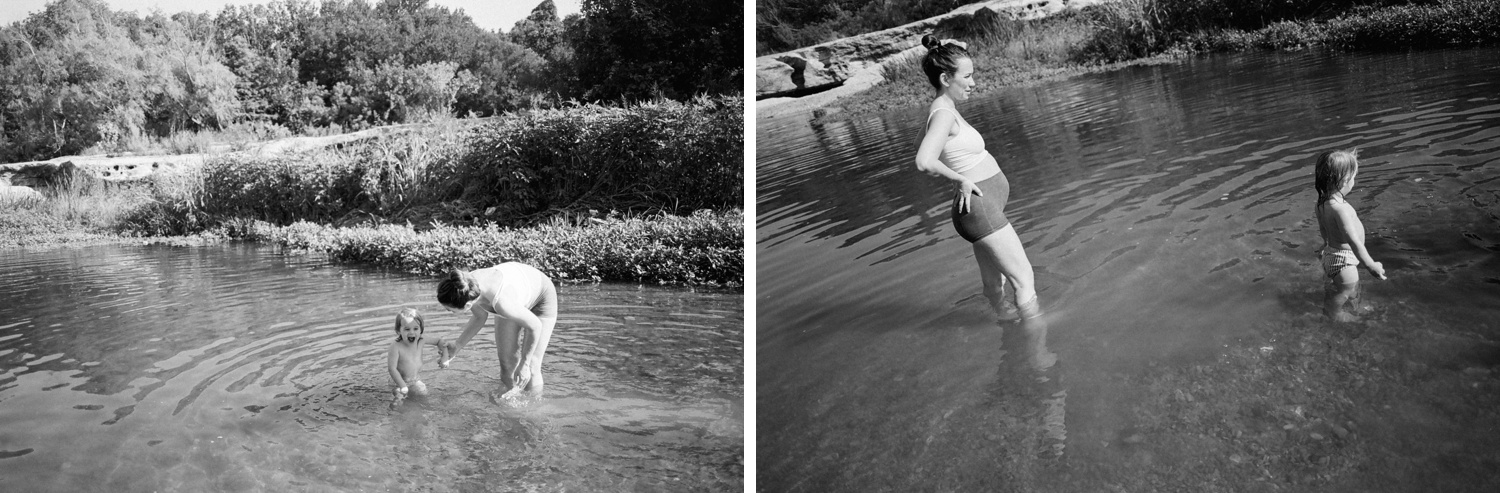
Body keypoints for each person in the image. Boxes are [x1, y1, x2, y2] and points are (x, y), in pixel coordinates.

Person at [912, 34, 1042, 323]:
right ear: (946, 78)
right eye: (967, 76)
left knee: (995, 283)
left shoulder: (940, 111)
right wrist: (960, 179)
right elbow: (923, 160)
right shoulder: (943, 114)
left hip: (981, 208)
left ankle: (1007, 326)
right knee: (1024, 279)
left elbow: (920, 144)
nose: (973, 83)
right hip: (980, 209)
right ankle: (1037, 344)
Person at [435, 262, 558, 400]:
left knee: (532, 366)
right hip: (515, 294)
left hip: (541, 295)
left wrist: (525, 362)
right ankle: (512, 405)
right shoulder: (465, 289)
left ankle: (534, 409)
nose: (449, 312)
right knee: (507, 366)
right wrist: (457, 346)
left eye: (449, 310)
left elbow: (535, 326)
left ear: (468, 305)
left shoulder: (502, 303)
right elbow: (480, 316)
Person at [1314, 149, 1387, 321]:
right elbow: (1354, 242)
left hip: (1331, 254)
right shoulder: (1342, 209)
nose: (1354, 181)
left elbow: (1323, 229)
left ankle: (1342, 306)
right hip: (1344, 260)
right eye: (1353, 177)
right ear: (1344, 180)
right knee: (1346, 290)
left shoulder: (1321, 203)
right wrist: (1370, 265)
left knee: (1343, 287)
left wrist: (1324, 246)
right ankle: (1334, 312)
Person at [388, 307, 444, 408]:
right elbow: (392, 368)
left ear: (421, 329)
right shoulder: (396, 346)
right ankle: (393, 416)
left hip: (415, 379)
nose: (412, 332)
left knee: (424, 397)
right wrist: (402, 385)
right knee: (398, 400)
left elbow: (439, 341)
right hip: (399, 381)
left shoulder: (421, 340)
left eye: (416, 328)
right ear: (398, 331)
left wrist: (443, 353)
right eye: (407, 329)